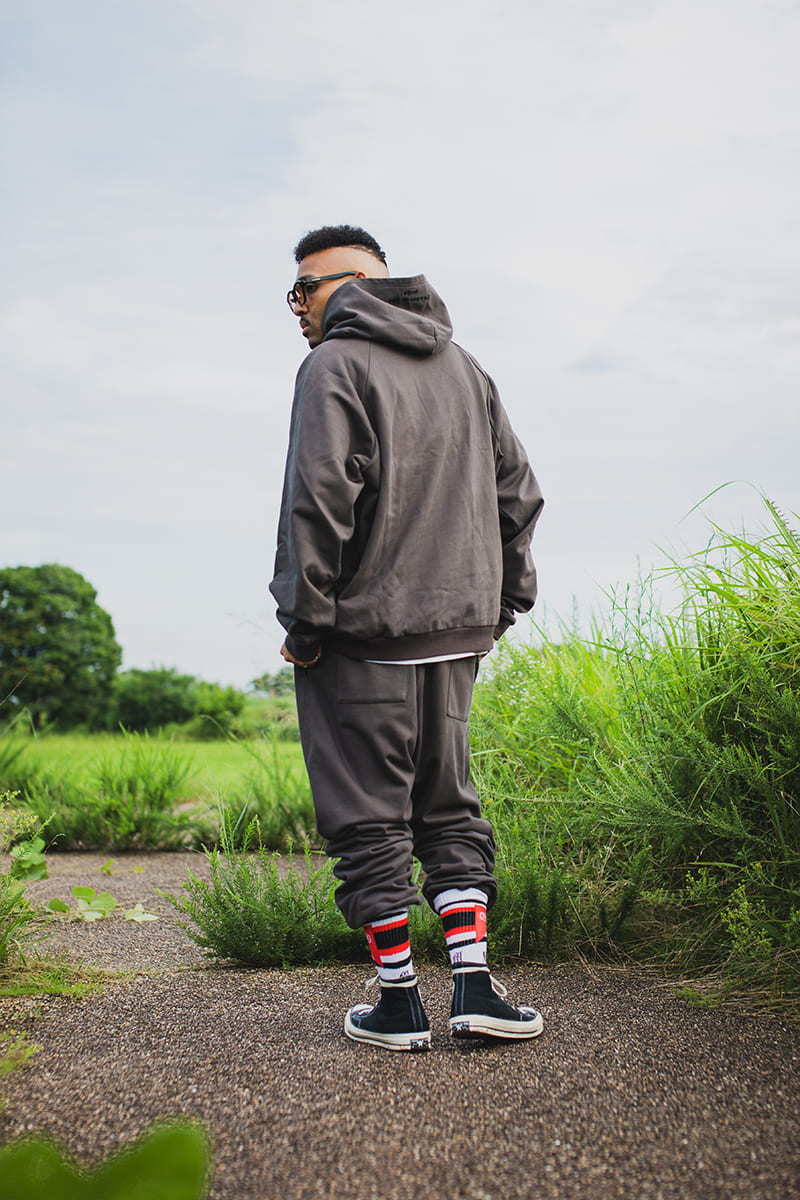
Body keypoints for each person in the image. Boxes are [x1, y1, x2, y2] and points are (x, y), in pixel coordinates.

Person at [270, 224, 545, 1051]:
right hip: (457, 632)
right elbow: (518, 494)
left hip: (363, 636)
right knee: (449, 807)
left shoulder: (334, 365)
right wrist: (503, 603)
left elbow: (320, 496)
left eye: (305, 290)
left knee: (366, 816)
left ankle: (399, 1003)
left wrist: (305, 620)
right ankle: (474, 989)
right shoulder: (464, 366)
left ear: (353, 284)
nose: (297, 308)